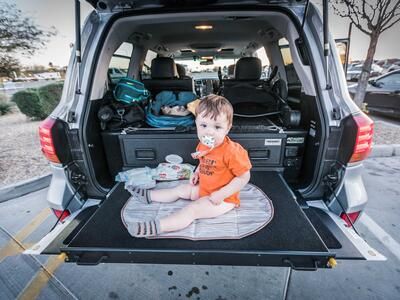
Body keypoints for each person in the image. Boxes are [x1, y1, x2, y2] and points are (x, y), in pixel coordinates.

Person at [128, 94, 252, 237]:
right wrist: (197, 173)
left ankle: (157, 226)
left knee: (192, 209)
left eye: (217, 127)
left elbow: (244, 177)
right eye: (203, 125)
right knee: (181, 189)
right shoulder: (204, 145)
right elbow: (203, 161)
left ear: (228, 128)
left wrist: (222, 194)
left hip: (223, 199)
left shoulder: (233, 151)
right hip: (205, 189)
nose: (209, 132)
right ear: (197, 123)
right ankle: (149, 195)